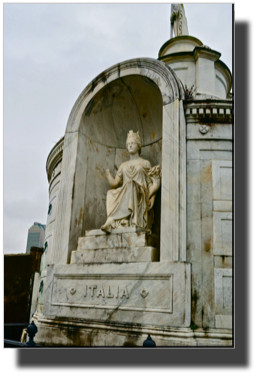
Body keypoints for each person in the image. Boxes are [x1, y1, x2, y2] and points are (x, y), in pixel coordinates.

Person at [101, 130, 161, 233]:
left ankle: (115, 220)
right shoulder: (123, 165)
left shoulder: (145, 163)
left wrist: (152, 197)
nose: (130, 145)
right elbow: (114, 183)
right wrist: (108, 174)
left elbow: (150, 183)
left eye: (132, 143)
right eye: (128, 144)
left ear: (138, 146)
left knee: (131, 185)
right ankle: (112, 220)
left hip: (139, 194)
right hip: (125, 192)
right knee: (110, 193)